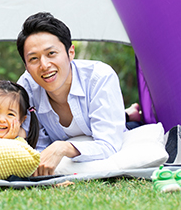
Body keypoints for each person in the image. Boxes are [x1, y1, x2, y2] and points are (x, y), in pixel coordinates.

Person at [16, 12, 127, 176]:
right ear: (26, 65)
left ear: (70, 53)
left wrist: (62, 147)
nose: (44, 65)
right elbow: (35, 144)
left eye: (51, 53)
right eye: (33, 59)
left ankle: (130, 116)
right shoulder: (26, 87)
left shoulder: (100, 77)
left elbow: (108, 144)